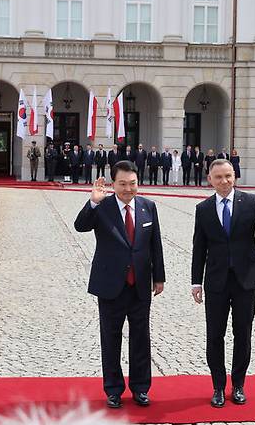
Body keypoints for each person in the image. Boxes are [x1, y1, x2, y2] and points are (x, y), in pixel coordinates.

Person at [191, 159, 255, 408]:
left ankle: (239, 385)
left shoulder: (250, 202)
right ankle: (217, 387)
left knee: (242, 333)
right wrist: (195, 282)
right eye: (219, 177)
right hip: (216, 281)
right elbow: (199, 248)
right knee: (215, 335)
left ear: (235, 177)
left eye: (228, 176)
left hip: (246, 280)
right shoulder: (203, 209)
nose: (224, 181)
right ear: (209, 179)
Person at [74, 161, 165, 409]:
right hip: (111, 284)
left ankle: (140, 388)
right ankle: (113, 389)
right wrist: (93, 201)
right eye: (122, 184)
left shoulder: (148, 207)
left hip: (140, 285)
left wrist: (159, 277)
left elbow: (155, 244)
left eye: (132, 183)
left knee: (140, 339)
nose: (128, 189)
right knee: (111, 339)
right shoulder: (102, 207)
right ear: (113, 184)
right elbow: (80, 226)